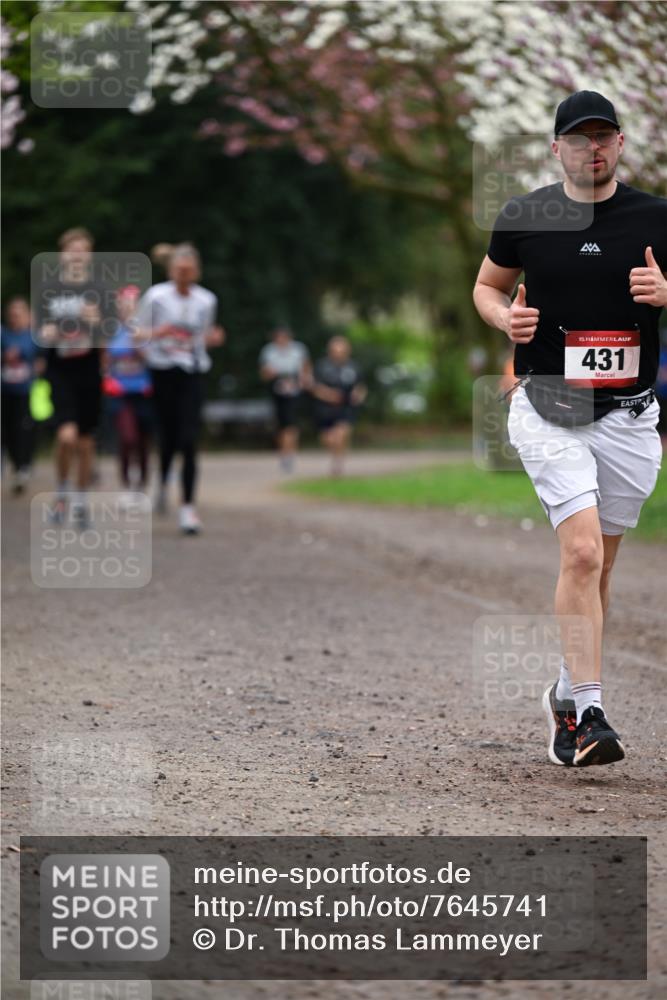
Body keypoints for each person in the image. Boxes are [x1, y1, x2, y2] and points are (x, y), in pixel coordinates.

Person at [473, 91, 667, 767]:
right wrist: (504, 320)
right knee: (581, 554)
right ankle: (588, 715)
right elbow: (486, 287)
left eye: (603, 136)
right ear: (556, 148)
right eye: (578, 138)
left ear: (618, 144)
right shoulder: (524, 216)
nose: (593, 148)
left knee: (601, 565)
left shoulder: (655, 217)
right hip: (549, 407)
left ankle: (562, 691)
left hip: (629, 417)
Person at [135, 243, 223, 535]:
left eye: (189, 271)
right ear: (171, 270)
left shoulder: (207, 300)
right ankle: (162, 482)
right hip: (162, 372)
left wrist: (212, 338)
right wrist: (156, 335)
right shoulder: (156, 297)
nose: (184, 276)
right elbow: (137, 334)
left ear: (196, 271)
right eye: (179, 270)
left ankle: (188, 508)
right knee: (168, 436)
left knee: (189, 439)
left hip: (193, 372)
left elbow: (205, 333)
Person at [36, 227, 115, 527]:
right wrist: (53, 330)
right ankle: (61, 494)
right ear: (62, 255)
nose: (78, 255)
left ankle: (80, 503)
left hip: (88, 370)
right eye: (73, 250)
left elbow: (109, 334)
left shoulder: (100, 290)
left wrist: (96, 324)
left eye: (84, 251)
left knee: (85, 442)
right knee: (66, 437)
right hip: (60, 370)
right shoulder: (48, 291)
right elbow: (40, 332)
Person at [102, 285, 153, 502]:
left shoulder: (147, 330)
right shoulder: (110, 331)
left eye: (131, 306)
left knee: (143, 441)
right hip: (120, 393)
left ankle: (140, 486)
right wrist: (107, 378)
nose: (127, 310)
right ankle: (125, 484)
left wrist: (139, 343)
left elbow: (154, 359)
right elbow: (105, 362)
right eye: (123, 306)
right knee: (127, 437)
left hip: (144, 392)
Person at [1, 297, 43, 493]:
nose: (15, 316)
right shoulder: (3, 335)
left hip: (27, 392)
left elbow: (43, 361)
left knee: (24, 430)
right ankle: (15, 465)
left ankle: (23, 467)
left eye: (19, 313)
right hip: (5, 391)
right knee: (7, 431)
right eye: (12, 313)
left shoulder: (34, 337)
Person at [311, 336, 367, 476]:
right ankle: (337, 456)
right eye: (336, 351)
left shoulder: (354, 367)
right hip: (325, 409)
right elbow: (314, 387)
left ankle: (338, 464)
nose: (339, 354)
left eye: (342, 351)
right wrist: (329, 395)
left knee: (341, 435)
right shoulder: (321, 366)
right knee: (328, 440)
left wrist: (358, 395)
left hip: (346, 408)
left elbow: (360, 386)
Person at [259, 326, 311, 473]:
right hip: (277, 388)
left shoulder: (298, 349)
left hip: (294, 389)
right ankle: (284, 452)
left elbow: (306, 368)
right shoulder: (269, 351)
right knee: (281, 425)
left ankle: (290, 454)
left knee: (291, 424)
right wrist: (270, 373)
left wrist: (304, 380)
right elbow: (264, 373)